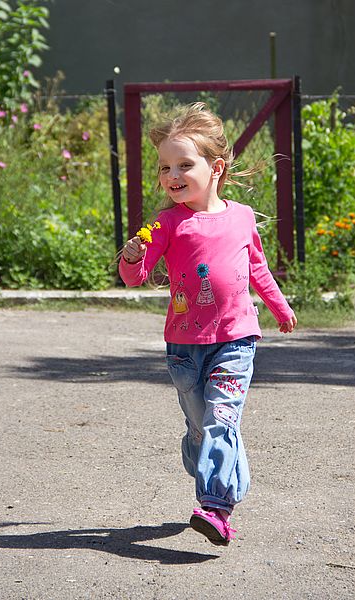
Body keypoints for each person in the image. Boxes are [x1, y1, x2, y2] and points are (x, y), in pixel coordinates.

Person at [119, 102, 297, 547]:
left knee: (221, 419)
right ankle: (215, 464)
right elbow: (135, 278)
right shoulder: (165, 224)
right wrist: (131, 256)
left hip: (236, 339)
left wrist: (278, 306)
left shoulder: (240, 216)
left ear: (215, 168)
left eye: (184, 164)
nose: (172, 175)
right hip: (184, 346)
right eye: (164, 167)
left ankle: (215, 506)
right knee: (202, 427)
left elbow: (257, 268)